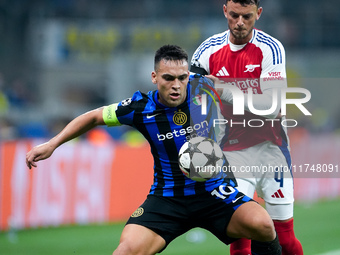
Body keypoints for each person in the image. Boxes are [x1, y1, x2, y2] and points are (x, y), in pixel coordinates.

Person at [26, 44, 282, 255]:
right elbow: (93, 117)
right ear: (155, 77)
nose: (176, 85)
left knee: (262, 224)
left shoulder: (204, 85)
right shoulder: (139, 107)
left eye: (182, 78)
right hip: (167, 198)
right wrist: (52, 144)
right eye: (168, 78)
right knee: (125, 252)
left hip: (214, 190)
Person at [190, 1, 303, 255]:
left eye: (247, 16)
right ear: (224, 11)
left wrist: (225, 90)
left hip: (271, 149)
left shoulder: (271, 49)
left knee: (284, 238)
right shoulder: (206, 51)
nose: (240, 22)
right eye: (234, 15)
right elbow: (195, 99)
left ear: (258, 14)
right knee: (241, 238)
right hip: (232, 153)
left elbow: (272, 106)